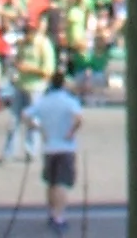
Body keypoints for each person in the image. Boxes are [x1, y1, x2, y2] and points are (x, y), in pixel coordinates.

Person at [27, 75, 82, 235]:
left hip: (49, 147)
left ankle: (52, 213)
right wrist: (71, 132)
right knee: (61, 183)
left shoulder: (44, 101)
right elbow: (79, 118)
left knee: (51, 182)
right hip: (65, 147)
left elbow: (26, 115)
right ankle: (59, 216)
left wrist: (39, 128)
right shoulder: (70, 101)